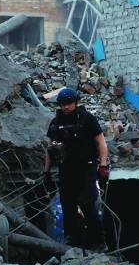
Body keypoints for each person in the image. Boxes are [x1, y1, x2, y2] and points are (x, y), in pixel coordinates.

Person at [43, 87, 109, 249]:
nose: (66, 107)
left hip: (86, 169)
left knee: (87, 203)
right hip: (66, 170)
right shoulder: (56, 122)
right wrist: (46, 171)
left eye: (69, 103)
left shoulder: (87, 119)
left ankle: (98, 241)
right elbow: (50, 149)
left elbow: (101, 142)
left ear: (76, 102)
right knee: (68, 206)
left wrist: (103, 165)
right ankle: (74, 241)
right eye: (62, 104)